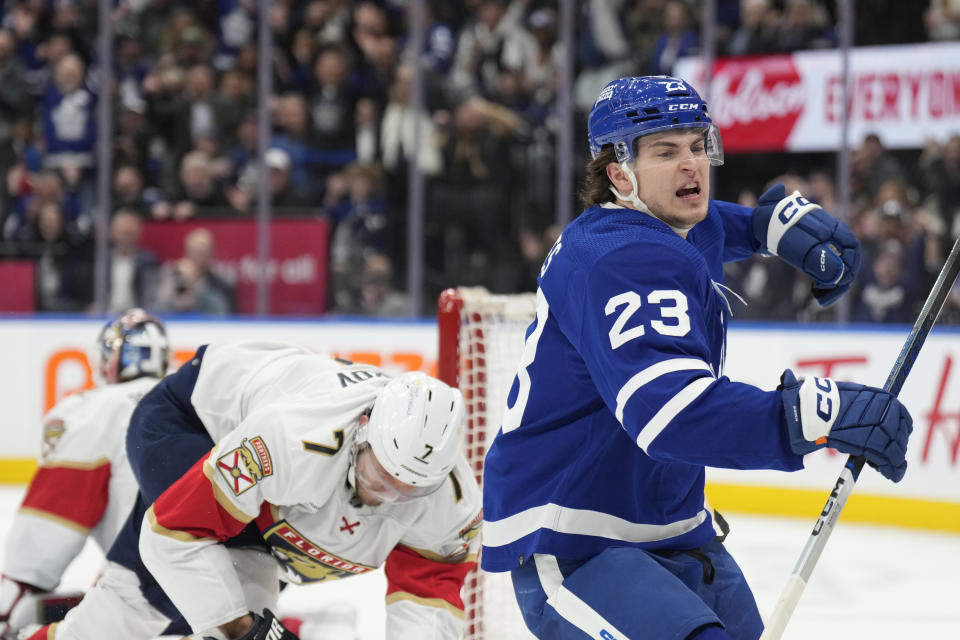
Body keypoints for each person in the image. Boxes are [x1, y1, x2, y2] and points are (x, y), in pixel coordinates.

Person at [479, 75, 914, 640]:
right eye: (666, 151)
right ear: (619, 173)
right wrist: (818, 412)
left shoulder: (668, 219)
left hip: (676, 530)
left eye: (697, 145)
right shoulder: (618, 261)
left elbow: (710, 226)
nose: (692, 165)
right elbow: (669, 414)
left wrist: (769, 230)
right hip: (578, 541)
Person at [26, 343, 482, 640]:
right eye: (380, 477)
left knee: (211, 605)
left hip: (269, 501)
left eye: (409, 493)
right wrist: (244, 630)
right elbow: (174, 536)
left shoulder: (453, 504)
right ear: (362, 432)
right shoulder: (289, 439)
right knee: (154, 604)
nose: (386, 497)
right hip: (191, 422)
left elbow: (426, 600)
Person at [0, 308, 170, 638]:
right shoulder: (192, 400)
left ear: (110, 358)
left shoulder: (94, 407)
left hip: (150, 599)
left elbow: (52, 519)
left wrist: (12, 592)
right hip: (228, 588)